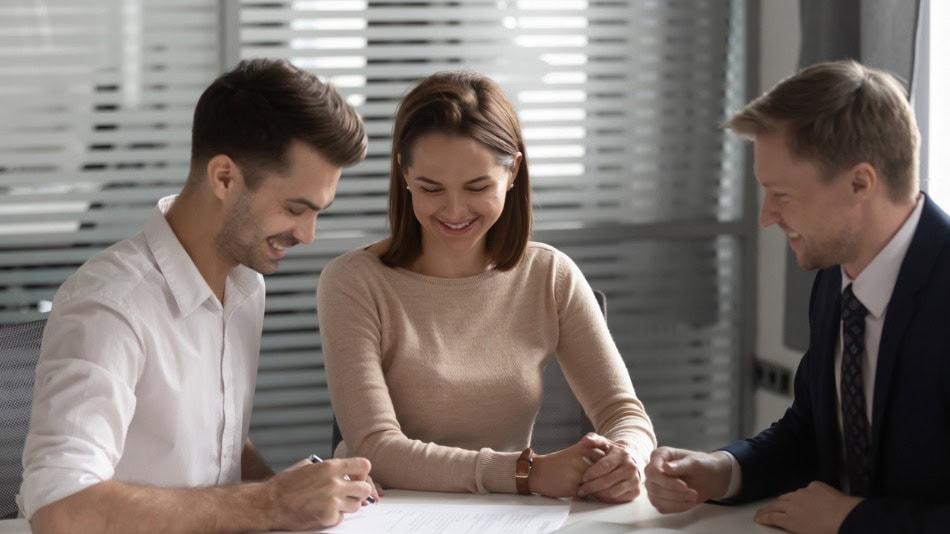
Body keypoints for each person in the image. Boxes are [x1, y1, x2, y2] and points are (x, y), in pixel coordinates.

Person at [19, 58, 378, 534]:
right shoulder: (110, 304)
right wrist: (269, 503)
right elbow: (61, 509)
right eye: (296, 208)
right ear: (224, 178)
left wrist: (291, 493)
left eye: (318, 213)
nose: (308, 235)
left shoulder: (244, 286)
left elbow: (214, 445)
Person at [317, 70, 656, 502]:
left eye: (477, 186)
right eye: (430, 188)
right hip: (392, 514)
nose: (454, 210)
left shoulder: (550, 274)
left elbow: (623, 413)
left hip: (508, 515)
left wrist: (627, 457)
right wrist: (524, 473)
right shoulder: (353, 281)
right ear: (404, 175)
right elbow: (375, 448)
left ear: (513, 171)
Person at [644, 60, 950, 533]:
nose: (766, 217)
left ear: (859, 183)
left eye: (781, 194)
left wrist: (855, 519)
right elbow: (811, 432)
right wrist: (723, 471)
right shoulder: (837, 277)